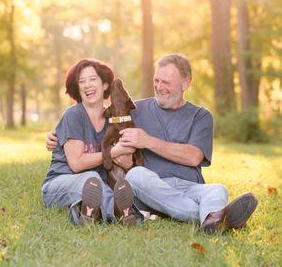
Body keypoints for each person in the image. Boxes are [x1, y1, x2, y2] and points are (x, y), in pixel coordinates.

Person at [46, 54, 258, 233]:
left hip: (189, 186)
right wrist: (55, 135)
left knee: (218, 189)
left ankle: (213, 219)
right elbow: (101, 122)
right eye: (156, 81)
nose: (159, 87)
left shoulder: (201, 116)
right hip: (149, 184)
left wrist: (147, 141)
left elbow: (194, 156)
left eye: (166, 82)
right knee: (136, 175)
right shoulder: (136, 110)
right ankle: (214, 217)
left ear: (186, 83)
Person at [41, 58, 141, 226]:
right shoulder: (74, 115)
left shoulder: (113, 120)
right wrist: (114, 152)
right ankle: (120, 213)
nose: (87, 85)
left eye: (93, 79)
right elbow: (77, 164)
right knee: (92, 179)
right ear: (77, 88)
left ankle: (92, 213)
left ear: (105, 85)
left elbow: (125, 161)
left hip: (98, 185)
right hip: (59, 184)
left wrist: (127, 158)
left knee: (103, 185)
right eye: (82, 81)